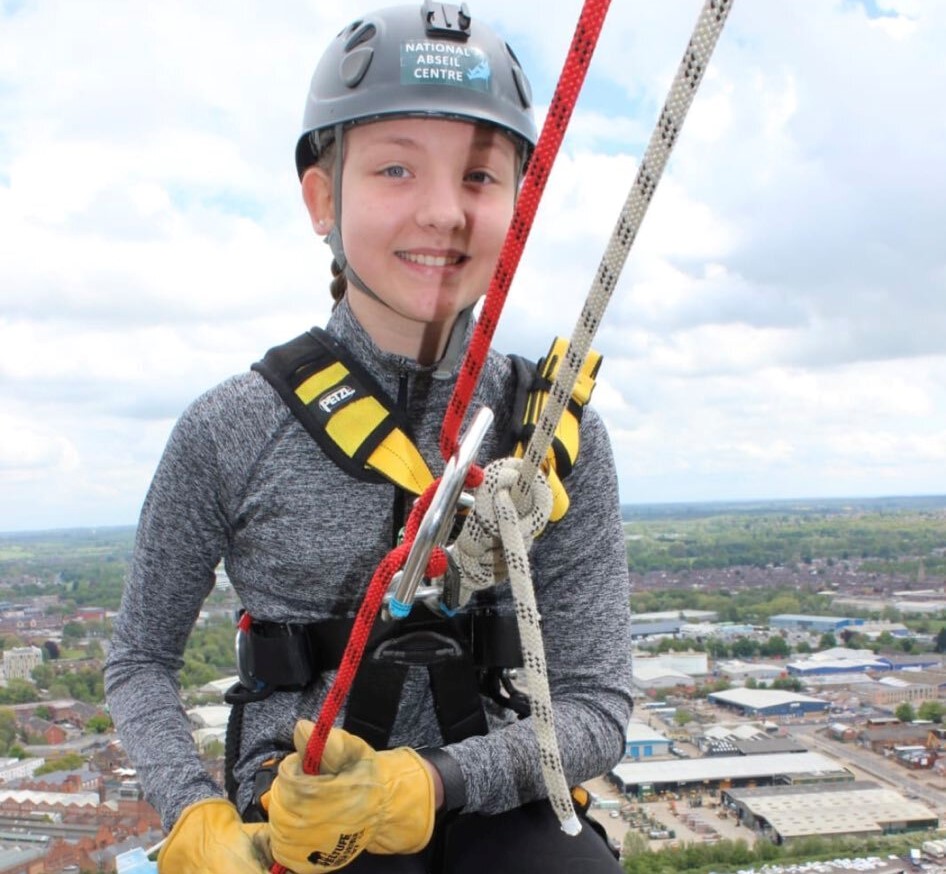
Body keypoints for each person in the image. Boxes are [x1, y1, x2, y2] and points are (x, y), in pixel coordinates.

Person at [104, 2, 634, 872]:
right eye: (395, 169)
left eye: (479, 177)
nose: (443, 213)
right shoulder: (234, 431)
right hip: (300, 799)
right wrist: (193, 812)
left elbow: (596, 706)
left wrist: (428, 783)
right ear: (322, 197)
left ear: (519, 206)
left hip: (488, 796)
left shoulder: (546, 441)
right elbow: (140, 661)